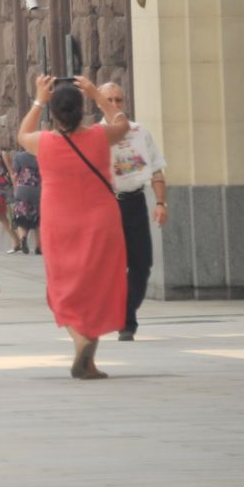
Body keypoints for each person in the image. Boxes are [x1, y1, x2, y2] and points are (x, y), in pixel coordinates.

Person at [17, 75, 129, 379]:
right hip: (101, 221)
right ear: (82, 109)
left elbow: (22, 133)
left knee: (62, 288)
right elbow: (122, 122)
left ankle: (81, 342)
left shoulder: (44, 142)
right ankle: (88, 357)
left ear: (54, 113)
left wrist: (40, 98)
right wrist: (96, 94)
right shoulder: (98, 136)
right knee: (98, 284)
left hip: (59, 223)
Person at [99, 81, 168, 340]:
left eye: (119, 100)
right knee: (111, 266)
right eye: (110, 101)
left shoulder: (140, 132)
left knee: (142, 263)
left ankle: (125, 312)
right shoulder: (96, 134)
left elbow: (157, 169)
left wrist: (161, 203)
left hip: (135, 202)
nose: (116, 105)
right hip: (106, 204)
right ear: (99, 103)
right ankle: (126, 322)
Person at [10, 147, 42, 255]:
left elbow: (14, 175)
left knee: (22, 218)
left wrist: (15, 188)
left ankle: (23, 238)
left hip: (22, 190)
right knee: (38, 220)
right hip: (38, 190)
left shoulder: (19, 157)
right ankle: (39, 247)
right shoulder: (41, 156)